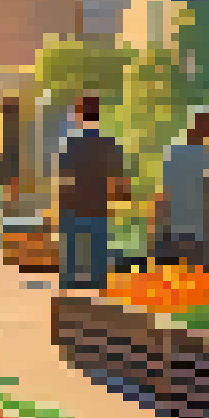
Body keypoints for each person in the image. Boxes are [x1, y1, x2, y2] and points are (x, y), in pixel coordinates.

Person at [56, 94, 129, 290]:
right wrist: (121, 197)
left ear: (80, 114)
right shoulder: (109, 144)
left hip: (73, 206)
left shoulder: (70, 145)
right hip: (98, 206)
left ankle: (70, 292)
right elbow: (117, 180)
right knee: (98, 257)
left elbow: (63, 179)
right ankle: (98, 291)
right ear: (98, 114)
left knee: (71, 257)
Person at [156, 109, 209, 272]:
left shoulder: (173, 152)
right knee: (202, 278)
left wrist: (158, 224)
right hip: (199, 231)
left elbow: (164, 194)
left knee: (171, 279)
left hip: (174, 227)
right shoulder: (208, 156)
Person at [0, 97, 24, 209]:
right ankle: (9, 199)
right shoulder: (7, 124)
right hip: (9, 156)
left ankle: (9, 199)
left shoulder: (13, 124)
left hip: (10, 156)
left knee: (10, 175)